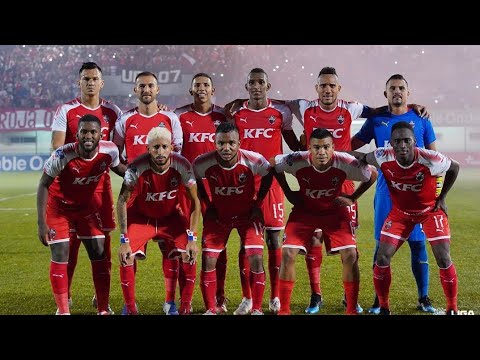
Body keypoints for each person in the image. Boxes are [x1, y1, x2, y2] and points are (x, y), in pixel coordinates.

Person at [225, 66, 428, 314]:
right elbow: (274, 101)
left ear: (338, 88)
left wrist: (410, 106)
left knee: (349, 246)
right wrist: (242, 101)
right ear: (317, 88)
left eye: (332, 85)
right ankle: (315, 295)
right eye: (323, 85)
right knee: (313, 238)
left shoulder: (350, 108)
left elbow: (378, 110)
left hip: (343, 181)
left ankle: (348, 299)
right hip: (312, 178)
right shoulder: (303, 106)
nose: (327, 89)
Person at [351, 74, 437, 314]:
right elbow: (352, 146)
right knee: (381, 248)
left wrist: (436, 196)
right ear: (385, 94)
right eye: (392, 88)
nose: (397, 91)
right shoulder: (376, 120)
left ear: (408, 93)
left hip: (417, 195)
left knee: (418, 246)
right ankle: (379, 301)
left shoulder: (420, 118)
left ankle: (424, 298)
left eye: (401, 88)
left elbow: (434, 160)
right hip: (386, 194)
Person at [355, 121, 459, 315]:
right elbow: (361, 157)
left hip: (429, 212)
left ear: (414, 142)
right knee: (382, 257)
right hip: (401, 213)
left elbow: (454, 167)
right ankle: (384, 306)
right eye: (398, 141)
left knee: (443, 257)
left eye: (406, 140)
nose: (402, 145)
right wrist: (335, 156)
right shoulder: (382, 155)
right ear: (391, 144)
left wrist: (442, 197)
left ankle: (452, 307)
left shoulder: (430, 158)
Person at [272, 128, 377, 314]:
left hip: (335, 212)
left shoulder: (344, 161)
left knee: (351, 254)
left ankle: (351, 308)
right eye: (316, 147)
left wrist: (353, 197)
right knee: (287, 253)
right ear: (309, 148)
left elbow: (372, 174)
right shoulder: (296, 159)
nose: (321, 152)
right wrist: (288, 192)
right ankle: (284, 310)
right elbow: (273, 164)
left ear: (333, 148)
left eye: (326, 147)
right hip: (305, 211)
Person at [50, 62, 122, 314]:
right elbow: (57, 147)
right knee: (68, 245)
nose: (90, 82)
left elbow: (118, 150)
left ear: (101, 83)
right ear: (79, 82)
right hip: (70, 187)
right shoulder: (66, 110)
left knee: (103, 246)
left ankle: (101, 299)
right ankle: (65, 296)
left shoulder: (113, 112)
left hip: (100, 190)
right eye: (85, 78)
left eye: (94, 78)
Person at [228, 68, 302, 315]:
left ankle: (275, 297)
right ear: (246, 86)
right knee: (245, 243)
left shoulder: (280, 112)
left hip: (272, 185)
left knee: (273, 241)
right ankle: (247, 298)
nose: (256, 86)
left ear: (268, 86)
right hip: (245, 186)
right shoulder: (238, 113)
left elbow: (293, 145)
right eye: (252, 82)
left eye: (261, 82)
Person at [37, 114, 125, 315]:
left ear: (100, 134)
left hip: (87, 210)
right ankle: (63, 310)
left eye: (93, 132)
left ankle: (103, 308)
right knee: (60, 254)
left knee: (99, 252)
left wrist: (139, 173)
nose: (88, 136)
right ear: (76, 135)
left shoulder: (109, 149)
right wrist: (41, 223)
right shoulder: (62, 154)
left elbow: (119, 168)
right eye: (83, 131)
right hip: (59, 210)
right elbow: (43, 184)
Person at [113, 71, 184, 315]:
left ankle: (170, 302)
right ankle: (129, 306)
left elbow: (178, 155)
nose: (146, 90)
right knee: (128, 252)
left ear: (157, 90)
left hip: (167, 194)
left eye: (150, 86)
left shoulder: (170, 118)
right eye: (141, 86)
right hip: (136, 198)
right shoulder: (124, 121)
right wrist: (134, 178)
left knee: (170, 249)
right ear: (135, 90)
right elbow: (116, 157)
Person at [117, 127, 200, 315]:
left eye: (164, 147)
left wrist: (192, 238)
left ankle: (181, 306)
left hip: (170, 217)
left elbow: (195, 201)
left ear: (171, 147)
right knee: (126, 256)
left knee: (188, 253)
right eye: (156, 148)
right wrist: (123, 240)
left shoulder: (183, 165)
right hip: (141, 218)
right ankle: (130, 308)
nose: (160, 152)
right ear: (148, 149)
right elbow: (122, 200)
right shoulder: (136, 167)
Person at [193, 122, 274, 315]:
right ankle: (211, 309)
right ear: (215, 142)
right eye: (221, 143)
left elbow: (268, 175)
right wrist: (208, 204)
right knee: (208, 260)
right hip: (219, 216)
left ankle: (256, 309)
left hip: (247, 216)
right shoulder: (202, 162)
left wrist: (257, 203)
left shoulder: (254, 160)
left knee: (255, 257)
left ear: (239, 142)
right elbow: (197, 181)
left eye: (231, 143)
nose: (226, 148)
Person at [174, 73, 228, 314]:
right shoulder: (178, 115)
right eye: (197, 86)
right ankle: (185, 302)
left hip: (218, 188)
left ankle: (220, 297)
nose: (202, 89)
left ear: (213, 89)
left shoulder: (223, 116)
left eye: (206, 85)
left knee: (218, 244)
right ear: (191, 90)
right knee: (185, 241)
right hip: (189, 188)